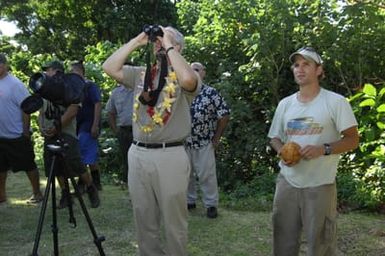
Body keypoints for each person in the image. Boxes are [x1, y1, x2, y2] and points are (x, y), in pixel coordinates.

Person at [103, 25, 201, 256]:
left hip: (170, 155)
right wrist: (138, 40)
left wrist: (167, 43)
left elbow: (188, 81)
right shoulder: (141, 74)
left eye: (165, 40)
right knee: (143, 217)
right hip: (138, 153)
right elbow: (109, 67)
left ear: (178, 47)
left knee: (174, 223)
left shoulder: (185, 74)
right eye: (156, 40)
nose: (158, 42)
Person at [268, 47, 359, 256]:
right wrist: (283, 151)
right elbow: (274, 138)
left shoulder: (335, 102)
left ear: (319, 70)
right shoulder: (285, 104)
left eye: (306, 64)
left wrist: (323, 149)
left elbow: (353, 139)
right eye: (296, 65)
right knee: (282, 240)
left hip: (320, 184)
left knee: (321, 244)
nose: (300, 69)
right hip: (287, 182)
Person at [38, 60, 100, 209]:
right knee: (56, 168)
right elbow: (41, 112)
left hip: (67, 133)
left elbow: (73, 110)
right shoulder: (43, 89)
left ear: (58, 71)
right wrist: (42, 127)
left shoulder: (69, 86)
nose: (46, 73)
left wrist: (57, 126)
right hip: (49, 134)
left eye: (49, 70)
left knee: (77, 165)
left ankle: (91, 188)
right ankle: (66, 195)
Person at [186, 62, 230, 218]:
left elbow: (224, 114)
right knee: (186, 174)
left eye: (197, 69)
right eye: (190, 70)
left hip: (205, 141)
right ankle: (189, 201)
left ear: (203, 73)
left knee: (207, 175)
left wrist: (217, 137)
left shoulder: (211, 93)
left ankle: (211, 205)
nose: (193, 72)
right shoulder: (182, 92)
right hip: (184, 142)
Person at [0, 53, 43, 204]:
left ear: (5, 65)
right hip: (1, 135)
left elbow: (27, 108)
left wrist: (25, 131)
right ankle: (2, 195)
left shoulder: (15, 84)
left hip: (17, 135)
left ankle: (37, 194)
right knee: (1, 168)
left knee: (28, 165)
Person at [70, 61, 103, 191]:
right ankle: (96, 182)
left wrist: (95, 125)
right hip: (78, 125)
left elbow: (98, 104)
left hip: (89, 125)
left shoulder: (90, 86)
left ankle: (83, 183)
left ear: (81, 72)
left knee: (83, 154)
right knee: (90, 156)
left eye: (74, 72)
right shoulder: (73, 89)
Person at [105, 84, 134, 187]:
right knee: (127, 160)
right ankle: (129, 186)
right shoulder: (116, 92)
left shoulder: (140, 88)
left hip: (140, 132)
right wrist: (116, 131)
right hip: (124, 131)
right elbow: (110, 112)